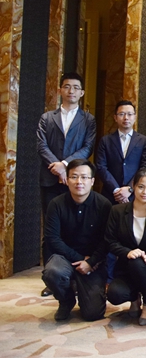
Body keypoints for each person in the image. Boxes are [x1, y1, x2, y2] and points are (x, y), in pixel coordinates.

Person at [37, 72, 96, 296]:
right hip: (50, 179)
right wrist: (57, 167)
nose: (71, 91)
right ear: (60, 90)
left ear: (82, 92)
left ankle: (76, 274)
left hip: (77, 179)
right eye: (67, 86)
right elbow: (41, 146)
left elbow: (87, 147)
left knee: (78, 228)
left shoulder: (88, 120)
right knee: (50, 230)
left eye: (76, 87)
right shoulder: (47, 118)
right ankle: (50, 279)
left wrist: (65, 165)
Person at [42, 159, 112, 321]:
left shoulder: (104, 205)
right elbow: (52, 238)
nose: (79, 182)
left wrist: (91, 262)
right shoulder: (56, 204)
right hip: (65, 257)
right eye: (74, 177)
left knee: (93, 313)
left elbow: (108, 240)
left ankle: (82, 289)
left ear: (92, 181)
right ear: (66, 180)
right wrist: (80, 259)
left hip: (94, 262)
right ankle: (66, 300)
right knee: (53, 272)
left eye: (84, 177)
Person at [105, 168, 146, 326]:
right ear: (133, 186)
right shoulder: (117, 211)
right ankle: (134, 298)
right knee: (114, 294)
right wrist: (127, 252)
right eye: (141, 187)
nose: (145, 192)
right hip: (126, 268)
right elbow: (110, 241)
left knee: (138, 262)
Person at [96, 100, 146, 205]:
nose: (126, 118)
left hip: (135, 195)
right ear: (115, 117)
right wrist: (116, 190)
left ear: (135, 117)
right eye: (121, 114)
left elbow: (144, 168)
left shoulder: (144, 141)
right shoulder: (106, 140)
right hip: (110, 194)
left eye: (130, 114)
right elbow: (101, 167)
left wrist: (130, 188)